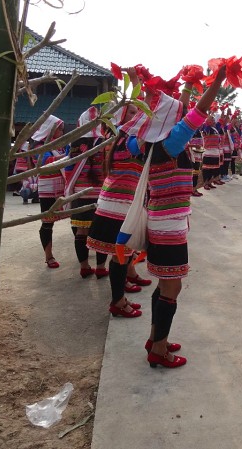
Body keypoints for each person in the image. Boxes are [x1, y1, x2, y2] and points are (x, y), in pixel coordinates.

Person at [119, 64, 227, 368]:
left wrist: (174, 87)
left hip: (158, 220)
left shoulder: (141, 144)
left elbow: (169, 115)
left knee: (164, 283)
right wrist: (217, 80)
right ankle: (160, 348)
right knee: (172, 287)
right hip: (169, 227)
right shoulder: (172, 143)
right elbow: (198, 113)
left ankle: (155, 337)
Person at [87, 87, 149, 319]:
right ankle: (117, 302)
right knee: (120, 257)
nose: (137, 115)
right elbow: (148, 121)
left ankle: (119, 298)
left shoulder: (121, 142)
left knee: (121, 256)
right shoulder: (128, 144)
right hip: (119, 207)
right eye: (132, 112)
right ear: (123, 119)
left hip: (117, 204)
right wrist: (138, 86)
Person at [64, 107, 108, 279]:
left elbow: (69, 168)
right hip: (100, 195)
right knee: (101, 234)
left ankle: (84, 267)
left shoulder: (74, 143)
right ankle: (101, 268)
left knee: (81, 232)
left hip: (79, 194)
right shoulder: (104, 143)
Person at [31, 115, 67, 268]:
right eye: (60, 128)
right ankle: (49, 256)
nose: (62, 131)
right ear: (51, 129)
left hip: (64, 186)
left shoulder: (61, 145)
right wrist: (69, 156)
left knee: (76, 217)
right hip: (48, 188)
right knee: (47, 222)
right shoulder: (40, 147)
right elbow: (45, 163)